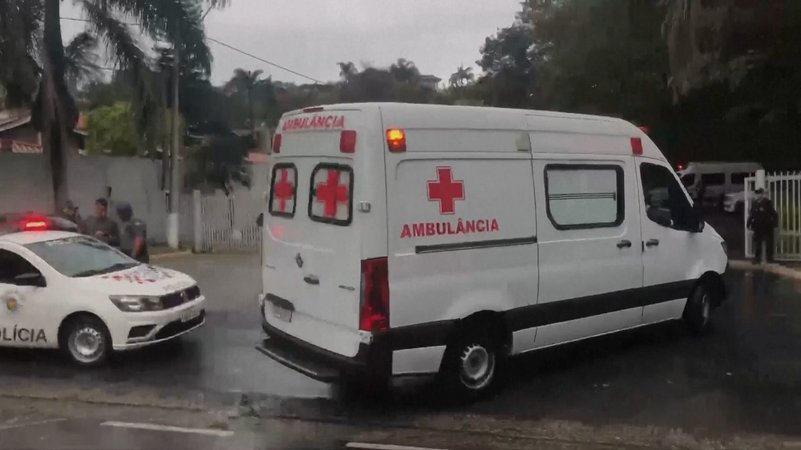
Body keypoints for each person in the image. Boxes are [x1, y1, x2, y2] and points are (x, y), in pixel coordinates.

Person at [748, 188, 778, 264]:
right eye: (757, 194)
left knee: (769, 243)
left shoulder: (767, 203)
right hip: (758, 227)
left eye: (760, 194)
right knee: (758, 244)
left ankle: (769, 259)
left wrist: (775, 223)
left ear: (762, 194)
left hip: (767, 226)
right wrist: (749, 223)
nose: (758, 196)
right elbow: (752, 215)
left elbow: (774, 214)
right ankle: (757, 259)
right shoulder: (754, 203)